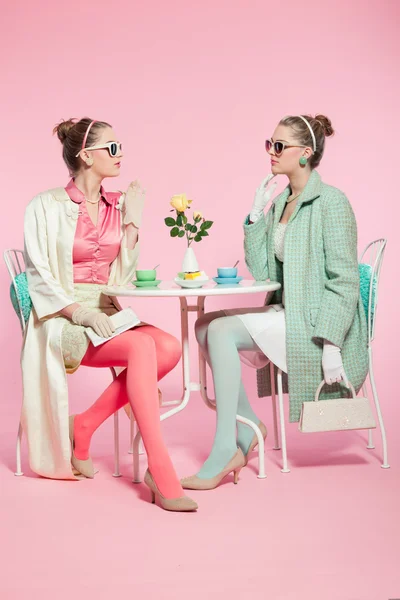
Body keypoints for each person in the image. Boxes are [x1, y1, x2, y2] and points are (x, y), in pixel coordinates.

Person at [181, 114, 368, 490]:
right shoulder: (283, 200)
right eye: (270, 143)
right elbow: (265, 269)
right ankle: (250, 426)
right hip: (286, 310)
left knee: (217, 330)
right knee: (204, 325)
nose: (271, 151)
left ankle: (225, 449)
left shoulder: (332, 202)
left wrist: (331, 343)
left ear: (305, 153)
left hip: (313, 323)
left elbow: (345, 281)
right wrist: (255, 217)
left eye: (279, 146)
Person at [22, 117, 197, 512]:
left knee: (168, 348)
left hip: (109, 311)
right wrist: (80, 313)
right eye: (112, 148)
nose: (121, 155)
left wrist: (132, 221)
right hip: (61, 318)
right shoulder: (45, 205)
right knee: (140, 348)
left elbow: (121, 278)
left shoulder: (114, 205)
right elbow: (39, 276)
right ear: (86, 156)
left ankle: (84, 424)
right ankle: (161, 471)